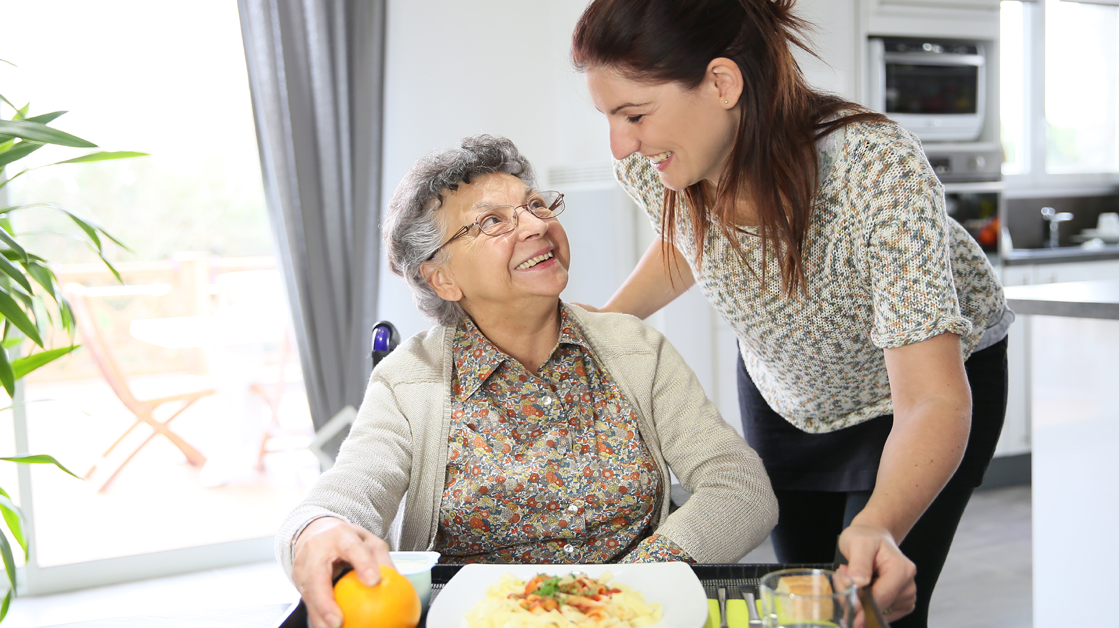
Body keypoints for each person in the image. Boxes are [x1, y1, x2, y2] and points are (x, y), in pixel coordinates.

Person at [571, 1, 1012, 626]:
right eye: (609, 117)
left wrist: (880, 524)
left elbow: (933, 400)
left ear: (722, 83)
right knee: (800, 607)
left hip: (921, 394)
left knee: (870, 604)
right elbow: (693, 242)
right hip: (787, 390)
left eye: (634, 114)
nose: (621, 143)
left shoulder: (873, 169)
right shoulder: (655, 162)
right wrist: (608, 324)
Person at [278, 135, 778, 628]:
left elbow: (741, 487)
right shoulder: (408, 382)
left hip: (632, 613)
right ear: (443, 279)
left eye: (536, 206)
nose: (537, 225)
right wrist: (318, 530)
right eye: (493, 221)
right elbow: (351, 489)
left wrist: (613, 596)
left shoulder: (635, 349)